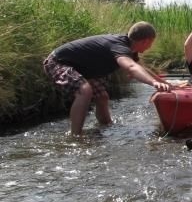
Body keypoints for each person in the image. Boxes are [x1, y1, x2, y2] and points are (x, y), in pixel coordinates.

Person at [43, 21, 172, 135]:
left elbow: (141, 69)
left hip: (79, 67)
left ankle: (106, 126)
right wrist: (153, 82)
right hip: (57, 62)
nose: (150, 47)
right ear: (146, 40)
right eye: (151, 43)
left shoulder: (128, 47)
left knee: (102, 97)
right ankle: (76, 136)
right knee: (85, 90)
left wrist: (167, 84)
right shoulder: (120, 47)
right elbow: (131, 67)